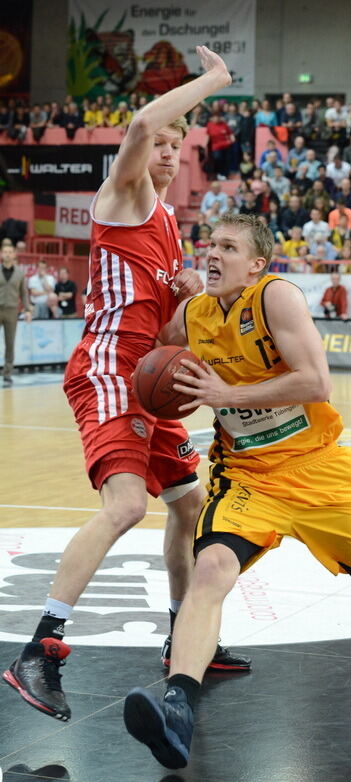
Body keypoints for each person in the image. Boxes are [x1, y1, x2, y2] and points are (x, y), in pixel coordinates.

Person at [123, 213, 351, 769]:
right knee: (211, 570)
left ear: (256, 264)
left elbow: (316, 381)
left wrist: (227, 391)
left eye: (228, 247)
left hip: (318, 472)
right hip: (248, 475)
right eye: (209, 244)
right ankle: (178, 706)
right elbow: (158, 353)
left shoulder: (277, 299)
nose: (212, 253)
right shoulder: (193, 313)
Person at [2, 46, 249, 725]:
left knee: (189, 503)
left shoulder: (171, 229)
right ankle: (37, 650)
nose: (168, 150)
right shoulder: (124, 194)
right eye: (163, 141)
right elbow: (140, 124)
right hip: (109, 366)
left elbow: (167, 338)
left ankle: (181, 638)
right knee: (125, 507)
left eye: (179, 144)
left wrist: (193, 308)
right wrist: (215, 81)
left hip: (146, 376)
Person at [0, 241, 33, 384]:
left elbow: (24, 293)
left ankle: (7, 372)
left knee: (10, 343)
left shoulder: (20, 273)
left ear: (14, 254)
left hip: (12, 311)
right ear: (1, 254)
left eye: (9, 252)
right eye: (5, 252)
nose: (7, 254)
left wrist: (27, 309)